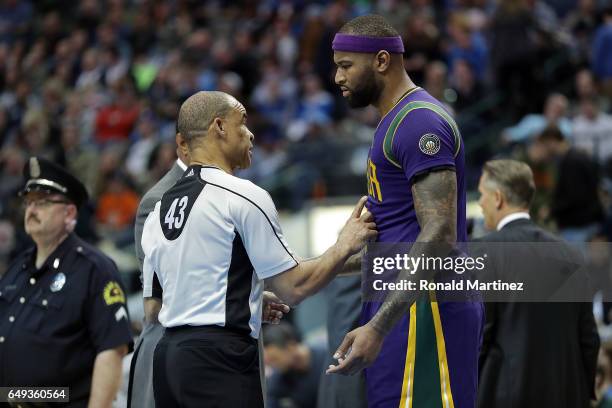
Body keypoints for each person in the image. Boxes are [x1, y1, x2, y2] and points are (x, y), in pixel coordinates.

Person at [141, 91, 377, 407]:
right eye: (243, 123)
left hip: (169, 360)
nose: (250, 134)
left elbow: (153, 309)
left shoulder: (160, 208)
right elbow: (295, 287)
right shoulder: (242, 195)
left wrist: (240, 295)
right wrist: (345, 244)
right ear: (219, 126)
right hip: (220, 360)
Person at [326, 14, 484, 408]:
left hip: (424, 311)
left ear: (382, 61)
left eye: (346, 66)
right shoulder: (393, 121)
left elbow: (439, 235)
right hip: (404, 305)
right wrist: (307, 273)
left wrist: (378, 326)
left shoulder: (417, 123)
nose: (338, 78)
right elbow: (394, 243)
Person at [128, 132, 288, 408]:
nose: (249, 134)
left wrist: (245, 296)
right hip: (188, 350)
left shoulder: (229, 189)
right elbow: (157, 298)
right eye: (237, 125)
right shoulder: (160, 198)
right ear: (184, 144)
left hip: (214, 348)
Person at [0, 156, 133, 407]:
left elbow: (112, 351)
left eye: (42, 202)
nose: (31, 210)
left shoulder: (94, 268)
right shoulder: (18, 267)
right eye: (29, 202)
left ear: (69, 212)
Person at [476, 159, 600, 407]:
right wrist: (583, 392)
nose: (480, 203)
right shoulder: (570, 253)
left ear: (498, 198)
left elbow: (481, 334)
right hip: (567, 393)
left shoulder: (484, 252)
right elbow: (589, 338)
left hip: (506, 394)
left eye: (482, 194)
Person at [263, 322, 327, 408]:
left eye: (275, 359)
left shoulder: (327, 357)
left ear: (291, 346)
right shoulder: (279, 377)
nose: (272, 365)